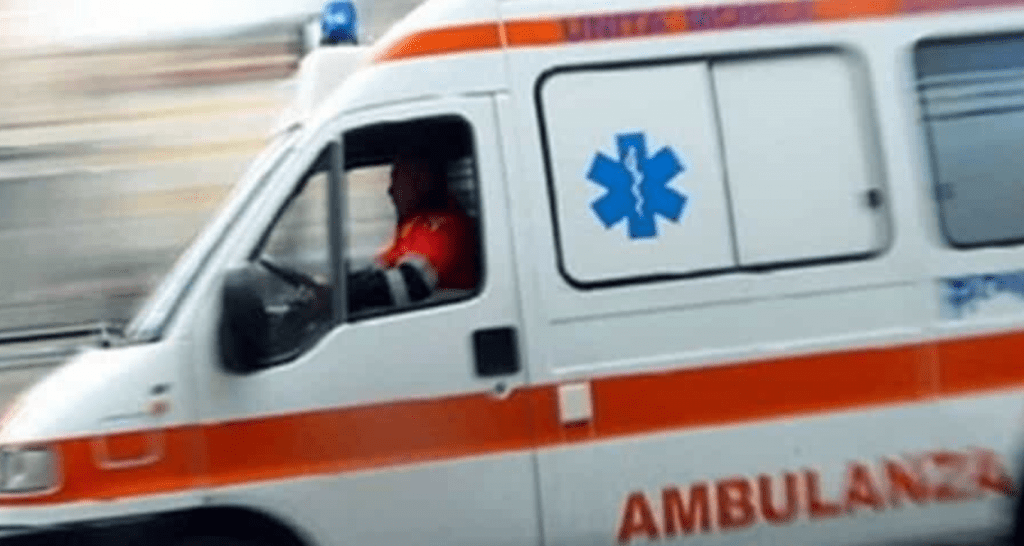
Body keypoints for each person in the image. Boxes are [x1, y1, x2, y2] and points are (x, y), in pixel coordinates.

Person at [346, 149, 478, 313]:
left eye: (397, 179)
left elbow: (412, 282)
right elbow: (380, 268)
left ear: (420, 182)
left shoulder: (444, 227)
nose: (390, 190)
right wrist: (339, 287)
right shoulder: (413, 226)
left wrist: (346, 295)